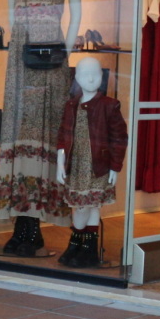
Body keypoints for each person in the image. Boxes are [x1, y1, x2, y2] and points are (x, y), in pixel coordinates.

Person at [0, 0, 81, 256]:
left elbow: (76, 14)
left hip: (53, 53)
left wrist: (67, 51)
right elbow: (12, 15)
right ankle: (24, 225)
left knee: (47, 131)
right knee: (19, 129)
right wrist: (19, 45)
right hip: (22, 55)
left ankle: (38, 223)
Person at [56, 56, 127, 267]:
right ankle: (80, 244)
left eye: (95, 74)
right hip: (77, 165)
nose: (90, 79)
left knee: (92, 206)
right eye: (85, 74)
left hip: (98, 166)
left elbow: (119, 138)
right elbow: (63, 136)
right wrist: (60, 163)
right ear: (76, 77)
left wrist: (115, 166)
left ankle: (84, 246)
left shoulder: (110, 105)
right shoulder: (71, 105)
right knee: (81, 207)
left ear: (102, 77)